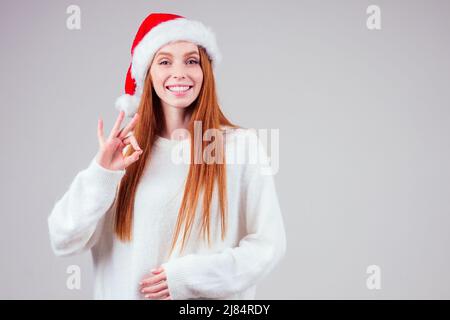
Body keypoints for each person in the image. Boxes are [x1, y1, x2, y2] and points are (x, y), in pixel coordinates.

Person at [48, 12, 286, 300]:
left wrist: (190, 277)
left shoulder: (240, 147)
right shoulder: (124, 152)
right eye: (164, 61)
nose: (180, 73)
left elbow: (269, 245)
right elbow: (63, 240)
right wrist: (101, 174)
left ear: (205, 71)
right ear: (148, 73)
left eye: (191, 60)